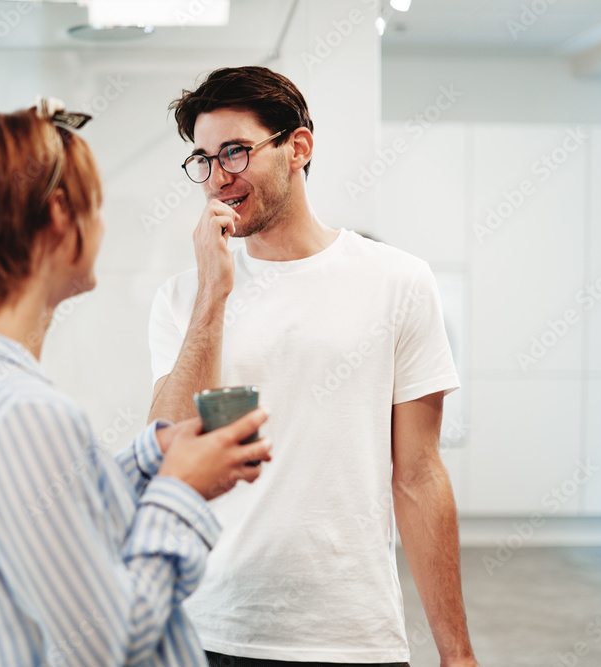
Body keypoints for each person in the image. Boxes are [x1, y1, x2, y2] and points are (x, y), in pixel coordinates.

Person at [0, 100, 273, 666]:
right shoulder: (24, 414)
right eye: (96, 206)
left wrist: (149, 458)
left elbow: (53, 517)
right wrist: (180, 492)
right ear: (60, 216)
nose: (102, 225)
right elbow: (107, 642)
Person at [148, 66, 480, 666]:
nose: (218, 178)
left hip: (350, 635)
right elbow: (166, 452)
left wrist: (456, 653)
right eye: (203, 159)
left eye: (236, 152)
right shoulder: (185, 299)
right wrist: (213, 294)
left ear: (297, 147)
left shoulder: (397, 281)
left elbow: (419, 475)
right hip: (209, 630)